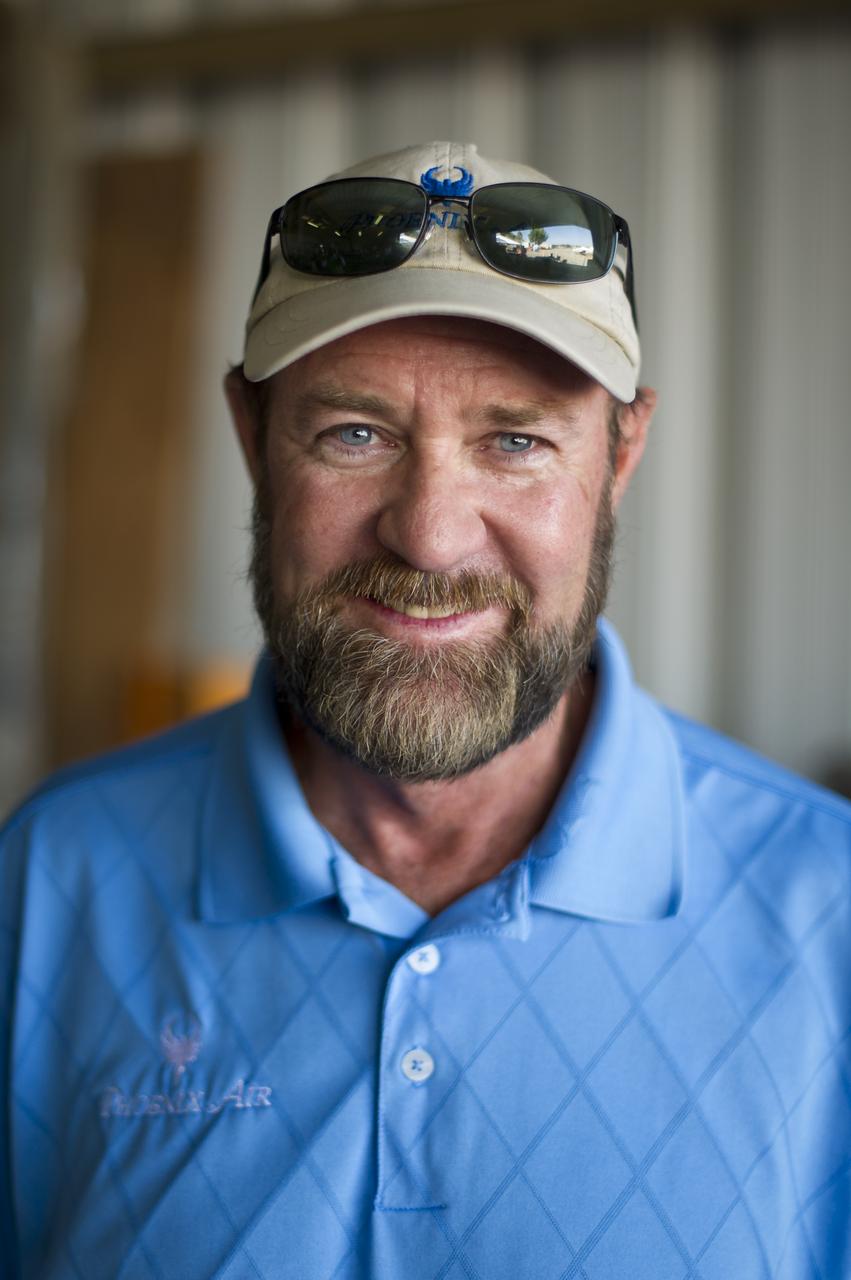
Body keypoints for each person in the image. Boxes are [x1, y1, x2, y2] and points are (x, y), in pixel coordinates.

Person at [1, 140, 849, 1280]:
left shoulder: (826, 913)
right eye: (353, 434)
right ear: (253, 440)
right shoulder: (51, 879)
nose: (430, 535)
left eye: (515, 441)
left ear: (621, 453)